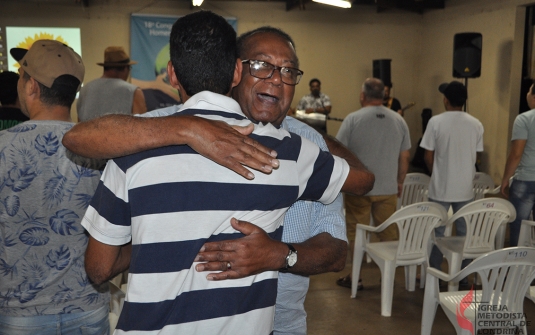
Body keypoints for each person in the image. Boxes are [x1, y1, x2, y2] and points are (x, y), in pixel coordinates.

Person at [63, 25, 373, 335]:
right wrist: (189, 129)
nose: (277, 79)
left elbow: (340, 242)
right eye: (262, 65)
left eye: (289, 70)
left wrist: (278, 254)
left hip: (283, 323)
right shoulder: (146, 134)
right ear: (236, 71)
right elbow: (79, 138)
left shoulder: (302, 149)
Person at [0, 40, 109, 334]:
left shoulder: (3, 146)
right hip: (88, 307)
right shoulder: (101, 150)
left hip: (19, 313)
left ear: (31, 86)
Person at [335, 77, 411, 289]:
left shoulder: (353, 119)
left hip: (359, 188)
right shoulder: (399, 120)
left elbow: (339, 150)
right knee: (388, 232)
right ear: (383, 96)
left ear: (362, 95)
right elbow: (405, 156)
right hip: (387, 187)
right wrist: (400, 181)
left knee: (356, 231)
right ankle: (389, 276)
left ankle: (355, 276)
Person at [420, 80, 483, 271]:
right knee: (464, 232)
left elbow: (428, 155)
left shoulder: (435, 122)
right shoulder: (476, 124)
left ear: (445, 100)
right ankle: (463, 273)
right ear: (464, 101)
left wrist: (437, 172)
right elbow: (477, 155)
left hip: (440, 187)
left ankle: (434, 271)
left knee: (437, 231)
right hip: (465, 187)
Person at [501, 80, 535, 247]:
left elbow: (516, 154)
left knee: (519, 228)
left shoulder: (524, 119)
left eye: (529, 91)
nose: (527, 94)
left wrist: (506, 178)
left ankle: (517, 269)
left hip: (526, 180)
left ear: (534, 97)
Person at [76, 46, 147, 121]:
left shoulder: (85, 90)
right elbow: (141, 127)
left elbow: (79, 124)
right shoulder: (134, 92)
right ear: (125, 68)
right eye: (129, 68)